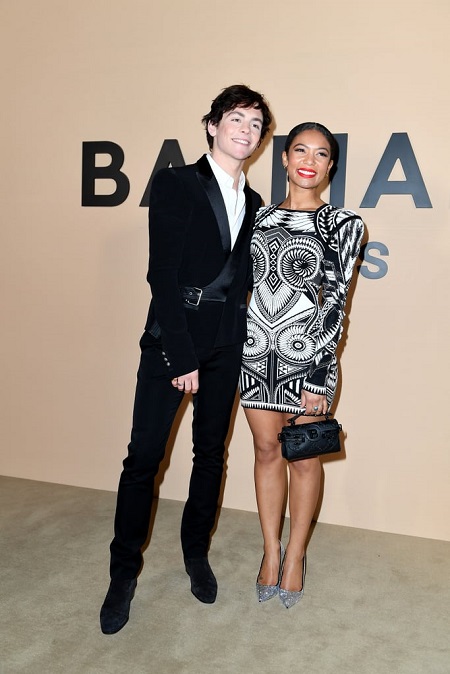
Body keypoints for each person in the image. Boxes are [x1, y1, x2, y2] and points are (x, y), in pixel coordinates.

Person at [100, 85, 272, 634]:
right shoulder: (176, 183)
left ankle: (195, 555)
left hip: (226, 344)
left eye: (256, 123)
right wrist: (179, 355)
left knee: (209, 456)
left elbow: (243, 279)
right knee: (143, 459)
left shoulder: (255, 202)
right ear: (212, 126)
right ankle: (122, 575)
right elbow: (162, 275)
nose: (246, 130)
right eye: (236, 119)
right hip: (172, 340)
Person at [239, 122, 364, 608]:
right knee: (266, 453)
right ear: (285, 160)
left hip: (309, 361)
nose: (309, 159)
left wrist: (317, 374)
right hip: (255, 357)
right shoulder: (259, 217)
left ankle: (296, 555)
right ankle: (270, 552)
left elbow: (336, 303)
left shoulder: (344, 224)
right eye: (299, 150)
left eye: (321, 153)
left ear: (331, 165)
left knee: (304, 458)